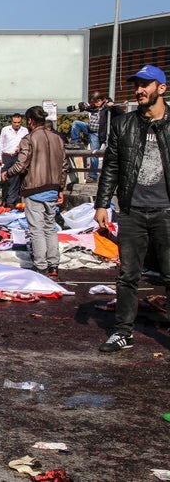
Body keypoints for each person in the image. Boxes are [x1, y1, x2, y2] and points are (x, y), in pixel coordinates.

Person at [94, 64, 170, 353]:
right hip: (132, 210)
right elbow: (111, 166)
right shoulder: (123, 124)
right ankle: (123, 332)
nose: (139, 89)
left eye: (146, 84)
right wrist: (102, 204)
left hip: (166, 210)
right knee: (128, 275)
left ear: (161, 89)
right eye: (136, 84)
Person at [2, 106, 67, 279]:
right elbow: (64, 166)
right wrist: (60, 188)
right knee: (50, 227)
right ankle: (53, 265)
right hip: (52, 188)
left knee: (36, 229)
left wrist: (6, 174)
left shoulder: (28, 139)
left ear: (30, 121)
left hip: (34, 189)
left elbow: (21, 164)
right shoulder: (57, 139)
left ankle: (41, 266)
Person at [69, 91, 124, 183]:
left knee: (94, 154)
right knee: (76, 123)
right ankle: (75, 143)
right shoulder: (94, 107)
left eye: (95, 102)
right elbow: (81, 108)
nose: (93, 104)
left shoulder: (107, 108)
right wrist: (80, 106)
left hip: (97, 133)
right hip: (89, 128)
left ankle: (92, 175)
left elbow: (121, 113)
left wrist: (113, 106)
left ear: (100, 100)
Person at [0, 113, 28, 208]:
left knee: (16, 179)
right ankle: (5, 199)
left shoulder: (24, 130)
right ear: (11, 122)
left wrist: (21, 148)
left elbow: (27, 143)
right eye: (15, 122)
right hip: (6, 156)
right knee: (4, 179)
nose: (17, 124)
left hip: (18, 157)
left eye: (18, 122)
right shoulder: (5, 130)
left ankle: (12, 201)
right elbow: (0, 144)